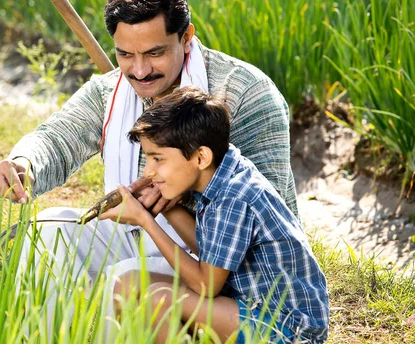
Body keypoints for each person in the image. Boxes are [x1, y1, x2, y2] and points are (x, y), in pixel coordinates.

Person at [0, 0, 298, 335]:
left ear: (186, 38)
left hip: (218, 266)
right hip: (136, 234)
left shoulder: (245, 94)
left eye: (154, 53)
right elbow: (58, 135)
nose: (139, 71)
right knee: (49, 231)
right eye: (125, 54)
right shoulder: (112, 90)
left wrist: (176, 200)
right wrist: (24, 163)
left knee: (127, 277)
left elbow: (273, 216)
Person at [99, 86, 329, 343]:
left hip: (288, 328)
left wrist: (145, 220)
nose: (149, 172)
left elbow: (205, 285)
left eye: (158, 159)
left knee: (160, 299)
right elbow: (211, 253)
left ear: (200, 157)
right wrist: (165, 205)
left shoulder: (234, 195)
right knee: (128, 284)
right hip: (244, 304)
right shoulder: (218, 173)